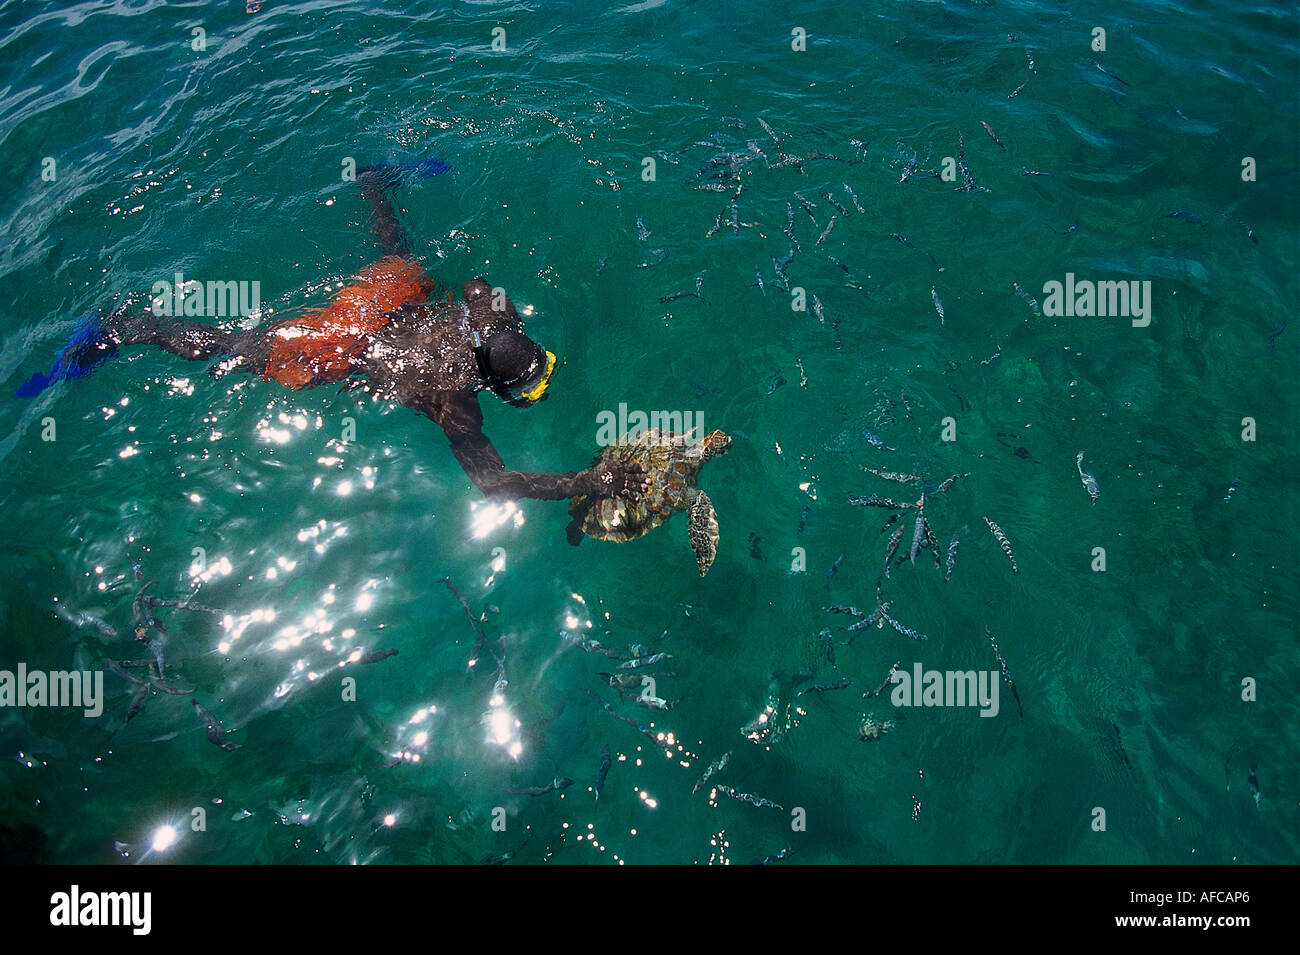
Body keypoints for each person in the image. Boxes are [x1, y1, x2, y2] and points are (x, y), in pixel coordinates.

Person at [15, 161, 647, 503]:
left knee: (405, 260)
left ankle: (372, 181)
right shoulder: (455, 404)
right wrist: (586, 483)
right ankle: (118, 328)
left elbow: (478, 288)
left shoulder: (490, 315)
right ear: (496, 383)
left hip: (386, 303)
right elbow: (492, 483)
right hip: (349, 346)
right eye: (527, 393)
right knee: (235, 348)